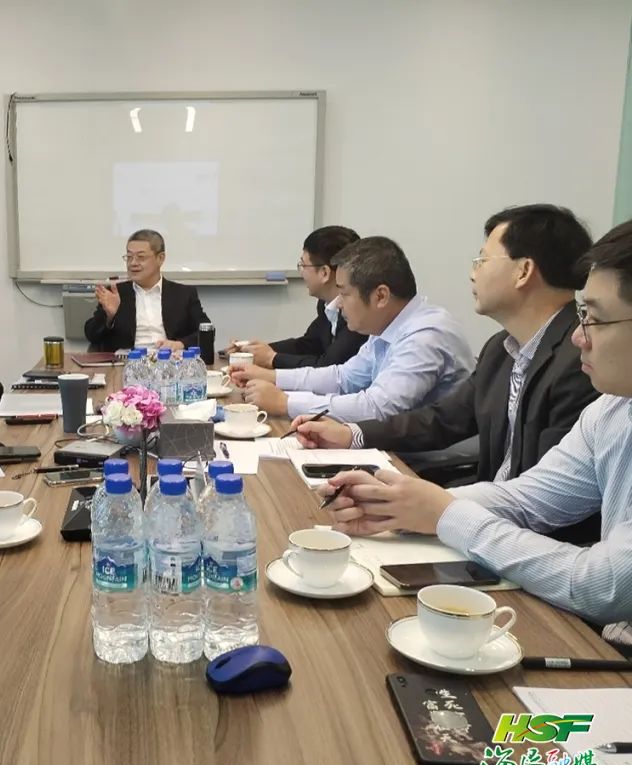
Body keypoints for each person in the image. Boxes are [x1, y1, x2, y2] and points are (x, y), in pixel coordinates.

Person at [322, 220, 632, 643]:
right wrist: (399, 503)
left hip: (583, 622)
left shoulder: (585, 377)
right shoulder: (612, 407)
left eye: (594, 318)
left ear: (524, 271)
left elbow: (603, 586)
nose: (580, 336)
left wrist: (445, 513)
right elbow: (527, 498)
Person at [293, 205, 597, 486]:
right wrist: (352, 434)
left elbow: (547, 495)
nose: (472, 273)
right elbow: (441, 420)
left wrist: (437, 504)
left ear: (524, 271)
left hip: (514, 519)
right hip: (487, 504)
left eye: (482, 260)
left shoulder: (580, 361)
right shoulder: (501, 349)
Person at [230, 236, 474, 421]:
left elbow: (377, 408)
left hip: (429, 463)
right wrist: (273, 378)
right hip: (391, 447)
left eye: (344, 294)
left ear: (380, 296)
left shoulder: (426, 334)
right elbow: (343, 378)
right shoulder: (388, 326)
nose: (338, 304)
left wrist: (286, 403)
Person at [227, 226, 366, 369]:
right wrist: (255, 350)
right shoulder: (325, 304)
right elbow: (308, 345)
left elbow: (329, 366)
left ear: (324, 273)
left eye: (303, 265)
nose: (301, 272)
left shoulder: (357, 312)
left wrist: (272, 359)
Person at [83, 229, 211, 352]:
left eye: (141, 257)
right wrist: (109, 317)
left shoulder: (183, 294)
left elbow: (207, 331)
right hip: (127, 362)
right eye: (129, 257)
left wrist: (179, 344)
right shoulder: (116, 293)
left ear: (160, 258)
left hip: (170, 361)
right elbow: (92, 335)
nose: (133, 263)